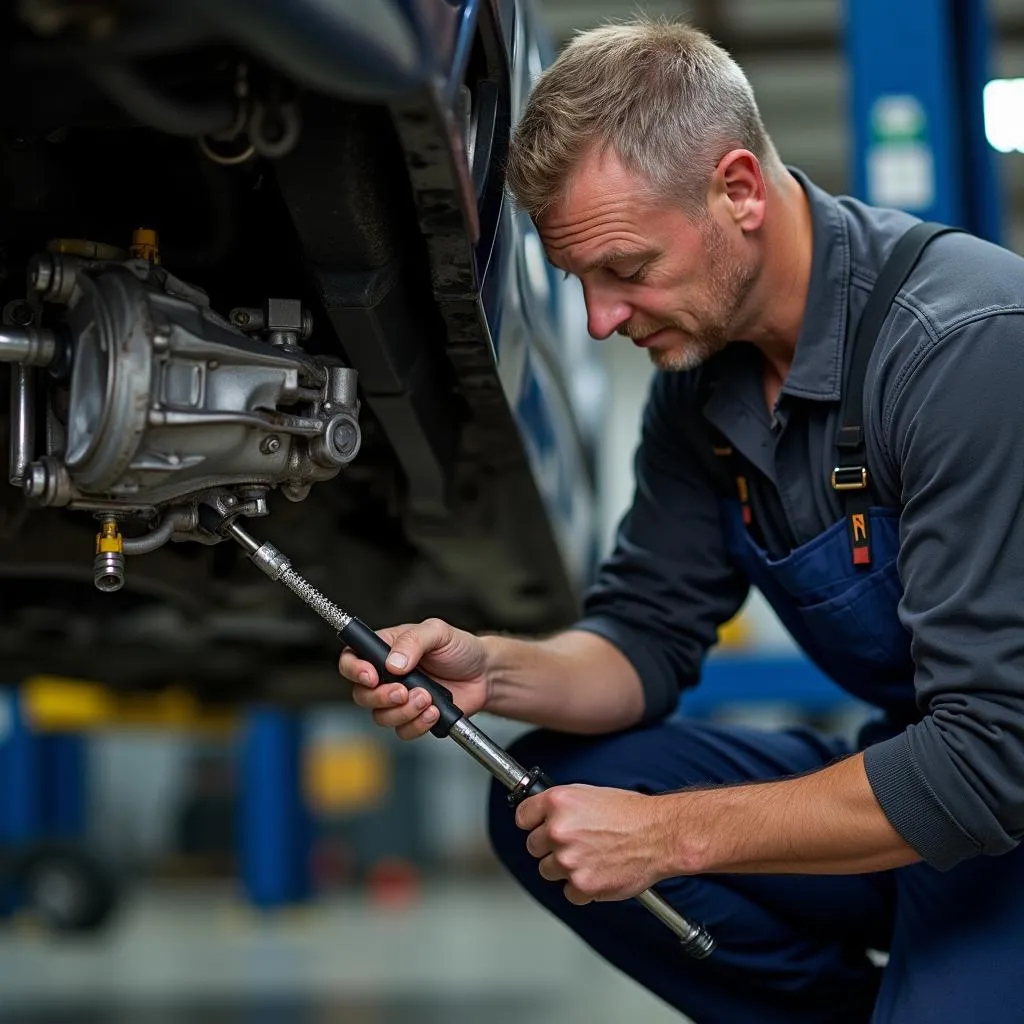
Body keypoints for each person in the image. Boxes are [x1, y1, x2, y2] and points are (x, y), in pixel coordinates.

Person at [339, 17, 1024, 1024]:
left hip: (994, 791)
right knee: (543, 796)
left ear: (738, 189)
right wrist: (494, 669)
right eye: (579, 281)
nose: (599, 321)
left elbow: (988, 762)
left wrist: (668, 838)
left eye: (625, 268)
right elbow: (646, 638)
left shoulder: (962, 348)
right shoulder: (702, 390)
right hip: (924, 778)